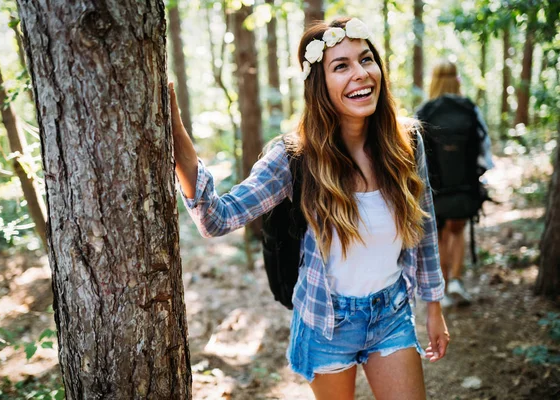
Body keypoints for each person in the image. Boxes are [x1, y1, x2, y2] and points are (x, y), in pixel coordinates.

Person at [172, 17, 449, 400]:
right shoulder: (294, 157)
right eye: (341, 66)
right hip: (325, 321)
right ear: (319, 85)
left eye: (366, 59)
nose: (361, 74)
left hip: (392, 313)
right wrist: (177, 139)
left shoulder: (407, 143)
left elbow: (424, 227)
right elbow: (217, 218)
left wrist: (434, 306)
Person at [416, 60, 494, 307]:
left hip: (436, 189)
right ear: (456, 79)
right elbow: (484, 147)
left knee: (438, 235)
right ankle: (458, 280)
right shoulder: (469, 109)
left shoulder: (425, 111)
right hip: (464, 188)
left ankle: (444, 288)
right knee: (457, 230)